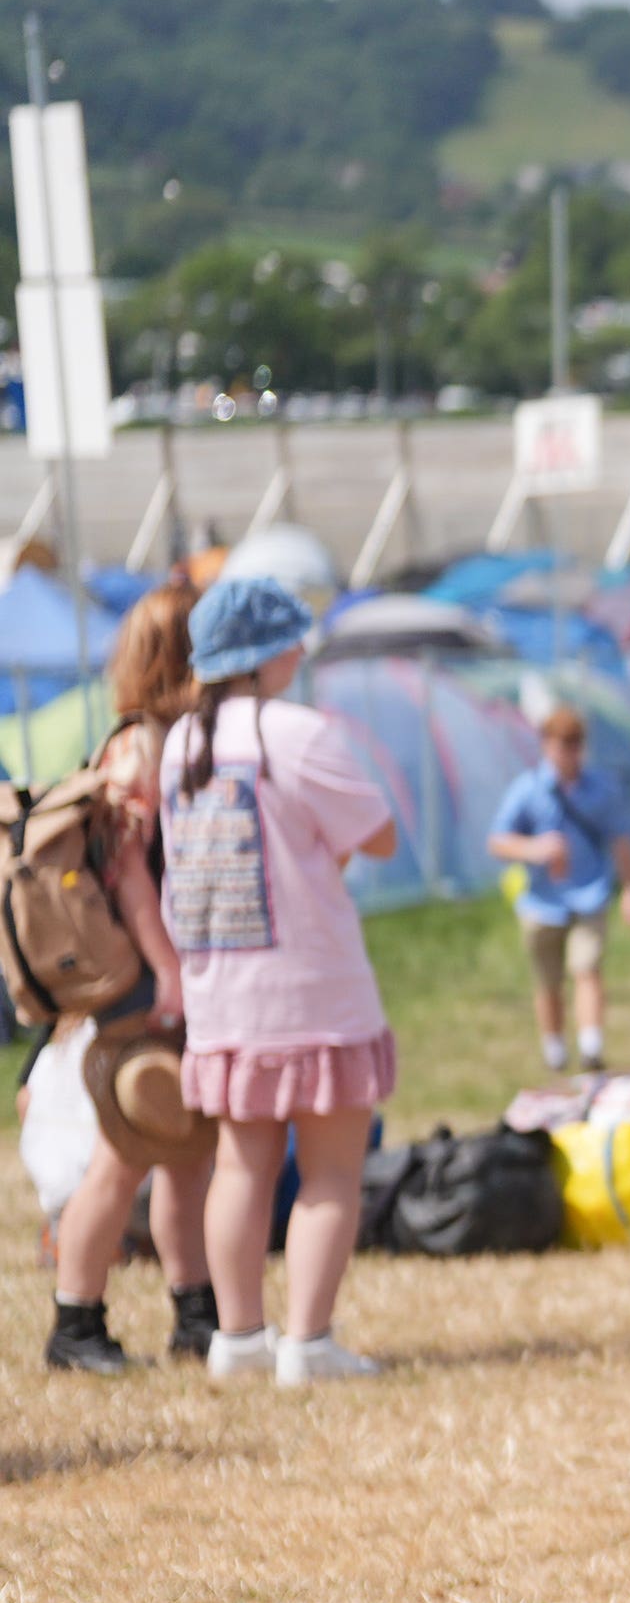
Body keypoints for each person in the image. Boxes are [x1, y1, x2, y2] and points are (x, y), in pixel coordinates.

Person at [158, 575, 400, 1385]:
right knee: (331, 1170)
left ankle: (237, 1339)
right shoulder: (296, 732)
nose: (303, 649)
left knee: (240, 1165)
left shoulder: (180, 743)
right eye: (294, 638)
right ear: (265, 655)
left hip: (221, 993)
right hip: (312, 987)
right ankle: (309, 1342)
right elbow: (379, 835)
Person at [43, 583, 215, 1375]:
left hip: (156, 977)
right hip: (145, 982)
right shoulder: (143, 745)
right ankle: (75, 1324)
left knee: (184, 1147)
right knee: (123, 1152)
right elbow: (131, 876)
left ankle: (196, 1315)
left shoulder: (153, 737)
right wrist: (169, 970)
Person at [485, 704, 630, 1074]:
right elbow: (497, 841)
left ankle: (591, 1048)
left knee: (586, 968)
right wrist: (534, 849)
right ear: (545, 745)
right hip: (542, 902)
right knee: (549, 981)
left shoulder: (601, 787)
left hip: (589, 894)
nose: (568, 751)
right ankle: (554, 1050)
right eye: (561, 743)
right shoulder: (527, 790)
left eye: (575, 743)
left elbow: (621, 840)